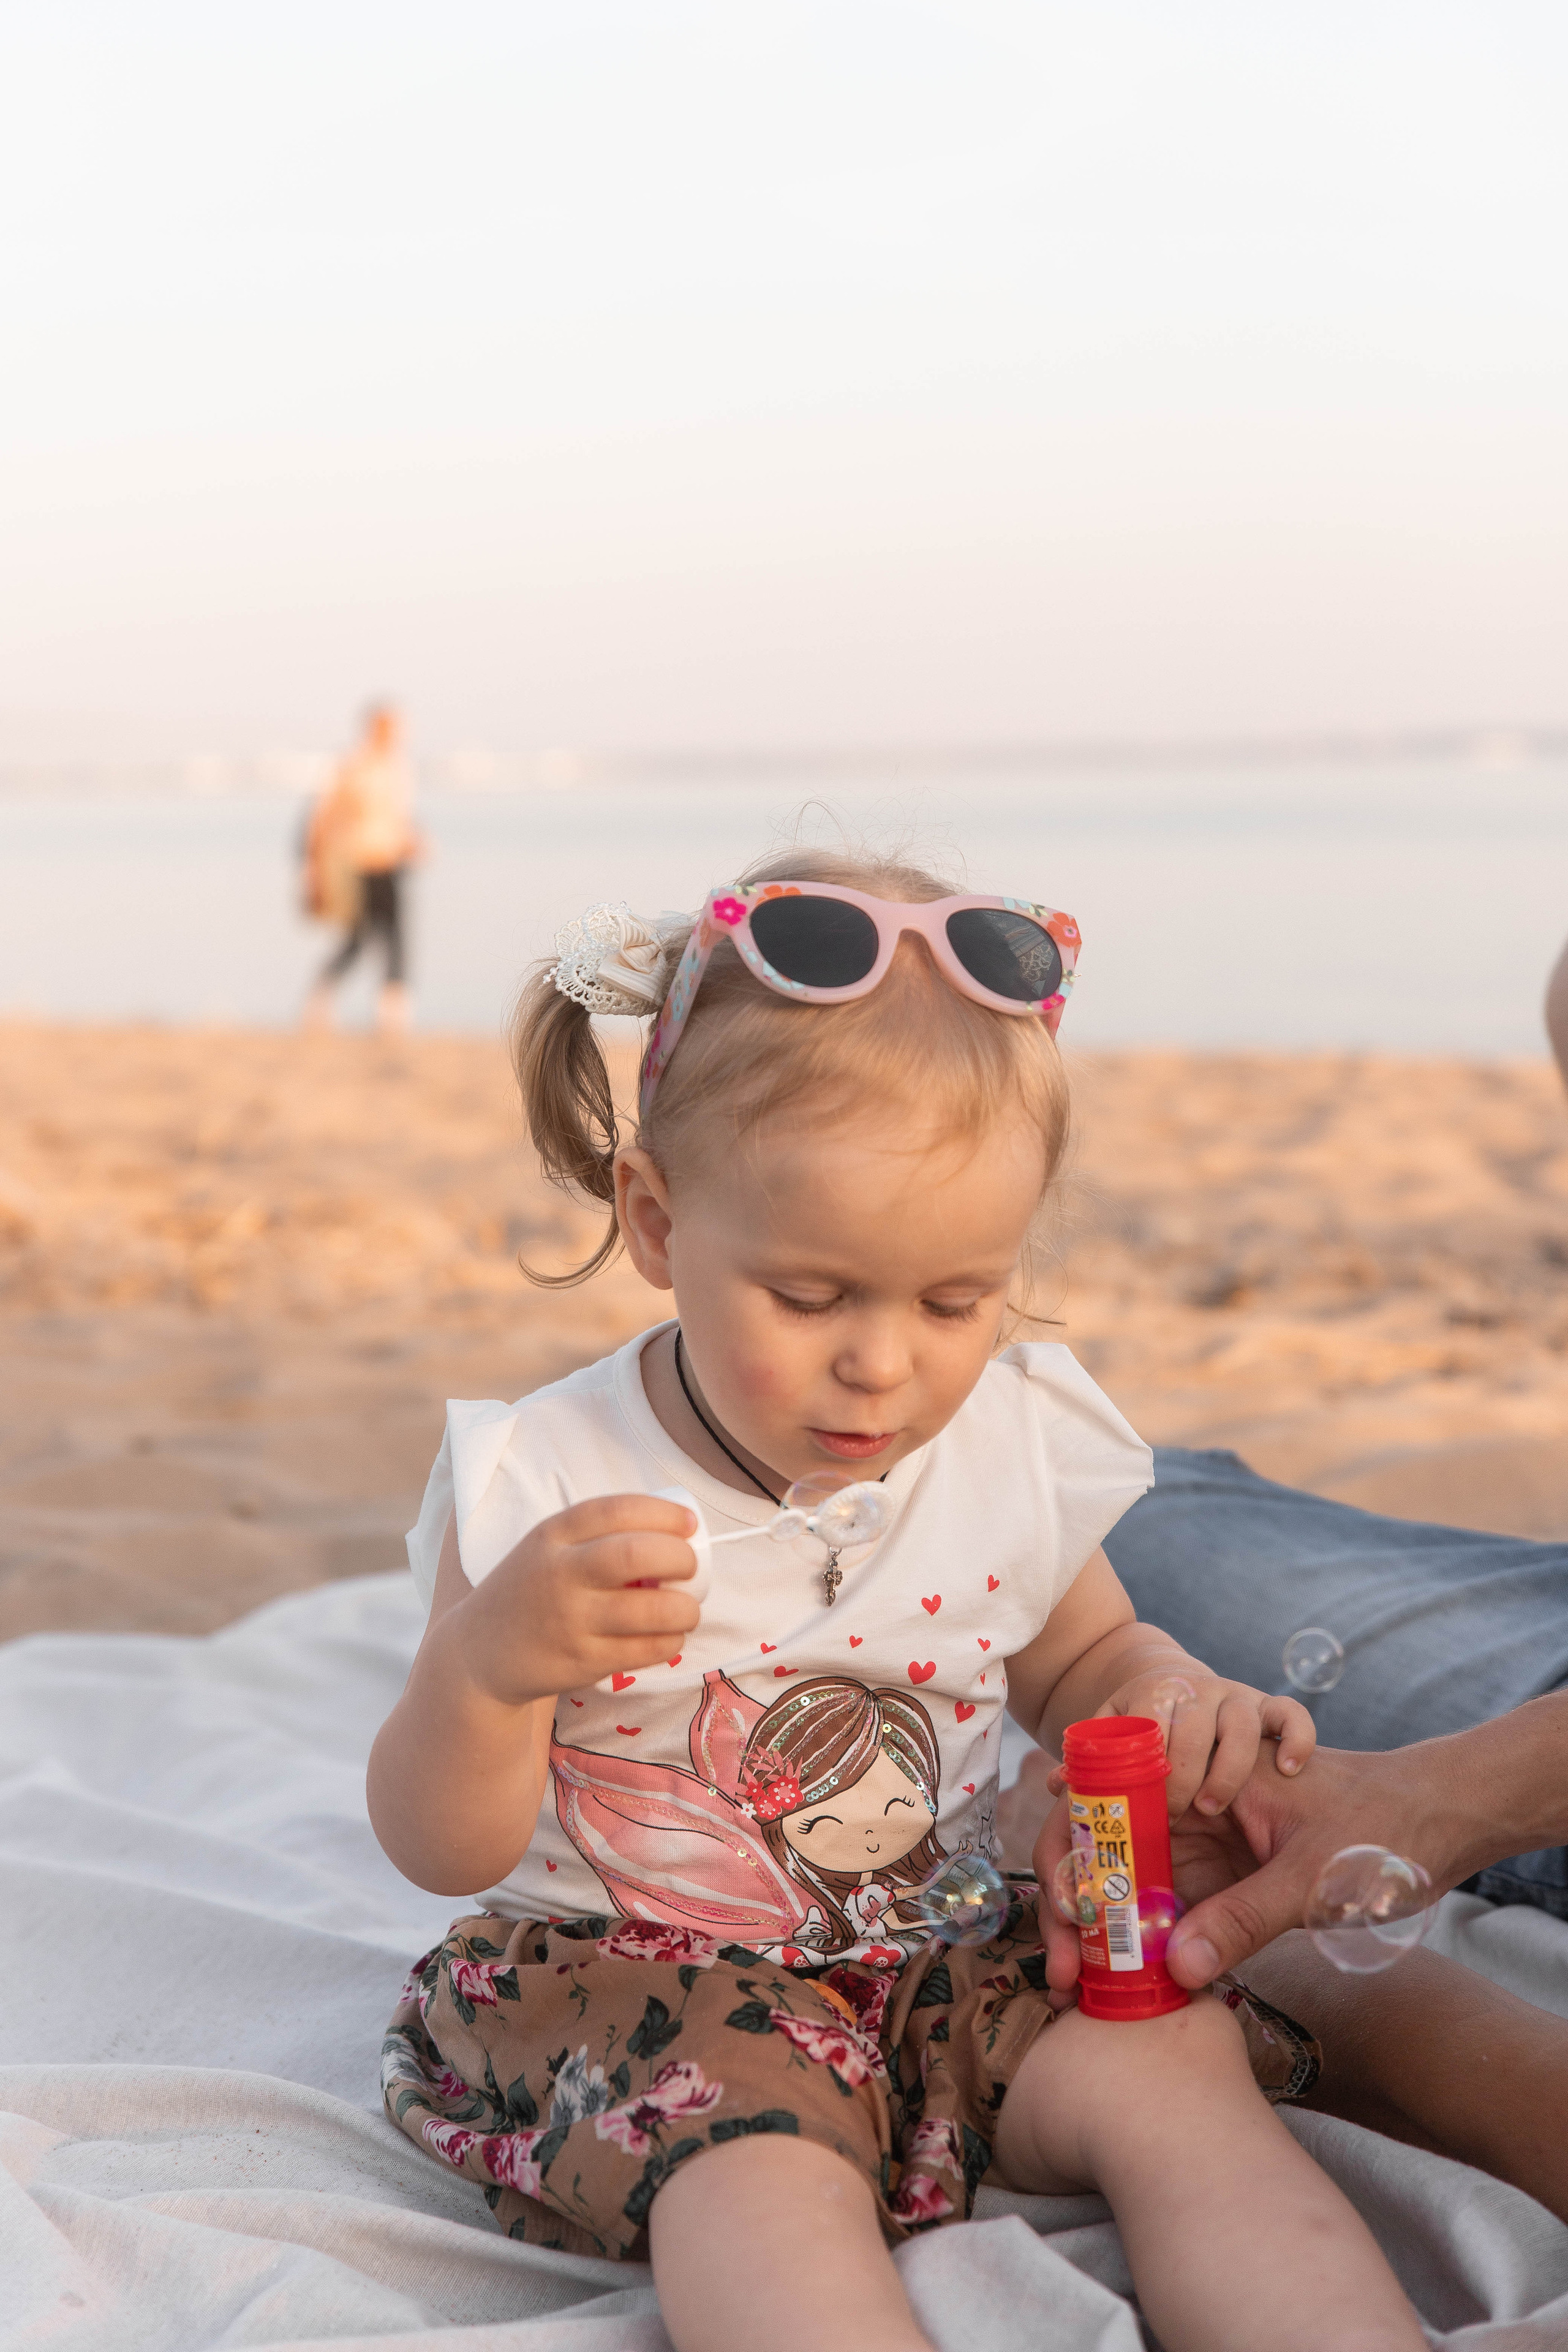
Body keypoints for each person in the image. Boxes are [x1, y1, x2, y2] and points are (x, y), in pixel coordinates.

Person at [368, 850, 1432, 2352]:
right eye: (809, 1297)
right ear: (658, 1223)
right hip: (646, 1991)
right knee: (749, 2170)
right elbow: (438, 1843)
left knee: (1176, 2076)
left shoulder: (997, 1444)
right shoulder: (543, 1480)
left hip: (941, 1952)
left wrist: (1165, 1694)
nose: (883, 1362)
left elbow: (1092, 1654)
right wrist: (485, 1672)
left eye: (951, 1299)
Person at [300, 702, 423, 1035]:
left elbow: (399, 818)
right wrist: (314, 872)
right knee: (358, 938)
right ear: (373, 728)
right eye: (388, 727)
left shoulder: (398, 767)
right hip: (358, 866)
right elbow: (321, 820)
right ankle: (322, 994)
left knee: (397, 937)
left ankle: (392, 1014)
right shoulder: (354, 766)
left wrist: (414, 842)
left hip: (391, 864)